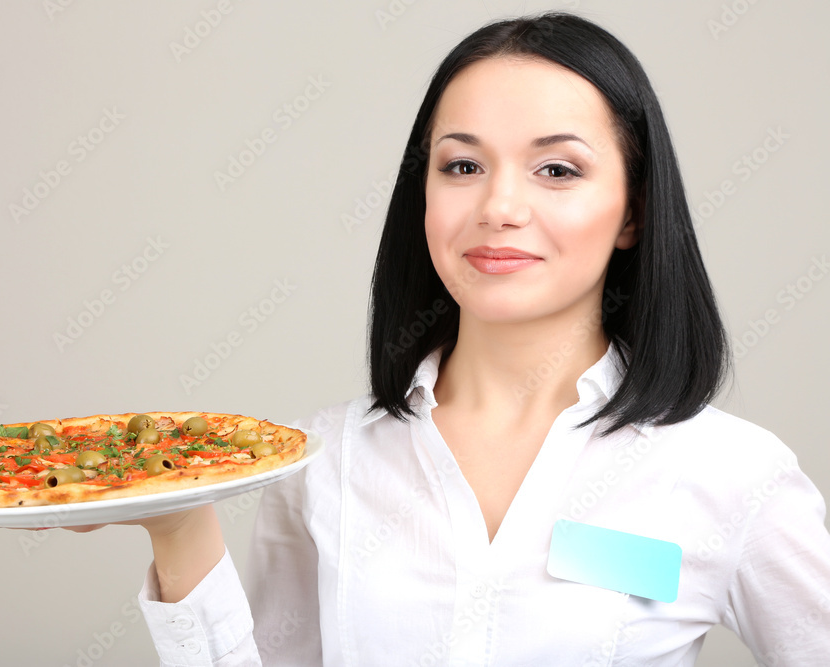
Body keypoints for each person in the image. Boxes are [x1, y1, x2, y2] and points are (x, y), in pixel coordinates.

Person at [119, 12, 830, 666]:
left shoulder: (732, 473)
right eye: (463, 166)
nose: (499, 207)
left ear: (632, 213)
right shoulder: (322, 465)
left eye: (557, 169)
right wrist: (179, 528)